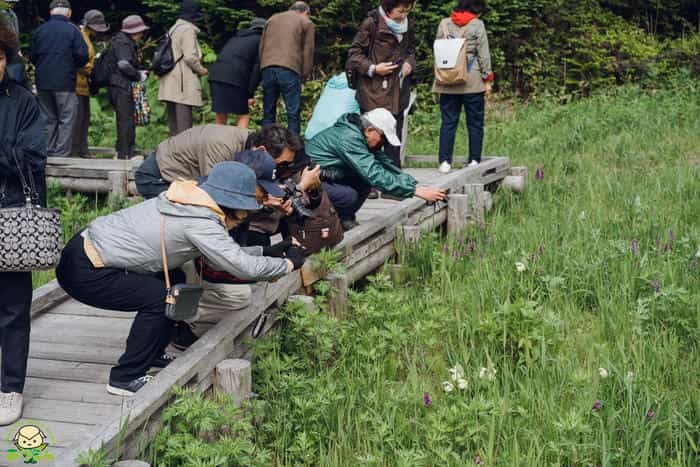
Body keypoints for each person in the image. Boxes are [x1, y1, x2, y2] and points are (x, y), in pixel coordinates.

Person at [56, 161, 306, 396]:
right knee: (158, 298)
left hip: (85, 249)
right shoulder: (199, 221)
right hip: (88, 268)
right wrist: (288, 263)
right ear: (231, 201)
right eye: (246, 207)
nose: (247, 213)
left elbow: (222, 253)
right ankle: (125, 377)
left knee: (173, 279)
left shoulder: (190, 200)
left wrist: (267, 251)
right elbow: (241, 266)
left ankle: (151, 352)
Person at [0, 23, 48, 425]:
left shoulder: (23, 102)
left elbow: (33, 155)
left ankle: (10, 387)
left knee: (14, 307)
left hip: (12, 214)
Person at [306, 108, 446, 230]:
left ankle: (344, 219)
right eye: (383, 138)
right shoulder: (349, 138)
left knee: (363, 182)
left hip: (330, 176)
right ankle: (320, 224)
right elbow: (374, 173)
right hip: (308, 182)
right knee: (348, 196)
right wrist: (416, 191)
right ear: (370, 130)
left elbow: (385, 165)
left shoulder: (360, 134)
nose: (383, 143)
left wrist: (414, 184)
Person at [134, 123, 302, 199]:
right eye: (280, 164)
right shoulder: (222, 147)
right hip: (158, 177)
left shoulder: (253, 144)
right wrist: (265, 201)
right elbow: (214, 195)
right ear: (262, 150)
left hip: (189, 180)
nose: (281, 169)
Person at [347, 0, 416, 169]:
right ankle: (368, 183)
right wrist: (374, 68)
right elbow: (354, 55)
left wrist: (409, 64)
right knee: (371, 138)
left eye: (407, 11)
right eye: (400, 11)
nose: (403, 15)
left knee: (394, 137)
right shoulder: (372, 23)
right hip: (372, 90)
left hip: (398, 90)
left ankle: (393, 182)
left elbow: (411, 51)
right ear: (388, 8)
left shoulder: (409, 25)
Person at [434, 0, 494, 173]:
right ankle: (474, 159)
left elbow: (438, 51)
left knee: (448, 122)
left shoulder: (444, 23)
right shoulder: (477, 25)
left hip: (447, 80)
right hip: (472, 80)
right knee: (475, 123)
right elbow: (484, 54)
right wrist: (487, 78)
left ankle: (445, 162)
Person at [29, 0, 88, 158]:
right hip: (65, 82)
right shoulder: (73, 30)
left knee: (48, 118)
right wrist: (71, 65)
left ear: (50, 12)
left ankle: (47, 152)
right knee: (66, 119)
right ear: (69, 13)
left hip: (43, 82)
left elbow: (32, 55)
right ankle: (61, 155)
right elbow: (83, 55)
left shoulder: (40, 30)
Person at [259, 1, 315, 135]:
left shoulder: (272, 19)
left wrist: (263, 67)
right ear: (305, 12)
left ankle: (266, 146)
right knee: (292, 112)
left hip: (267, 67)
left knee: (268, 112)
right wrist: (303, 78)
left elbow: (261, 47)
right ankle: (294, 149)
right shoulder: (306, 22)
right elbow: (308, 52)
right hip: (289, 69)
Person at [158, 0, 208, 136]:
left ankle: (173, 154)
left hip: (170, 79)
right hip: (182, 82)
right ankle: (183, 155)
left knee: (174, 125)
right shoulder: (187, 30)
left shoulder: (174, 28)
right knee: (184, 126)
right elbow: (190, 57)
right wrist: (201, 70)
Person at [209, 17, 266, 128]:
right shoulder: (260, 41)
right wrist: (250, 94)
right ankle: (240, 144)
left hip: (216, 75)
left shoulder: (236, 38)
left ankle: (219, 143)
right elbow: (256, 69)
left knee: (221, 113)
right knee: (243, 114)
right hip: (235, 78)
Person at [109, 15, 149, 160]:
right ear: (134, 31)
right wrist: (138, 75)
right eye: (140, 31)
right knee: (126, 119)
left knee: (125, 118)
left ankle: (123, 150)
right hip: (121, 85)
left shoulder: (120, 40)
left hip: (118, 84)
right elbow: (123, 64)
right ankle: (125, 153)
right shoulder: (124, 43)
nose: (142, 34)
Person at [72, 10, 110, 158]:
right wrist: (91, 69)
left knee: (84, 119)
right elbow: (78, 62)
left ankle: (82, 149)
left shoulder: (86, 37)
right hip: (77, 83)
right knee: (78, 120)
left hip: (84, 85)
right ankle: (76, 151)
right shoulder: (80, 37)